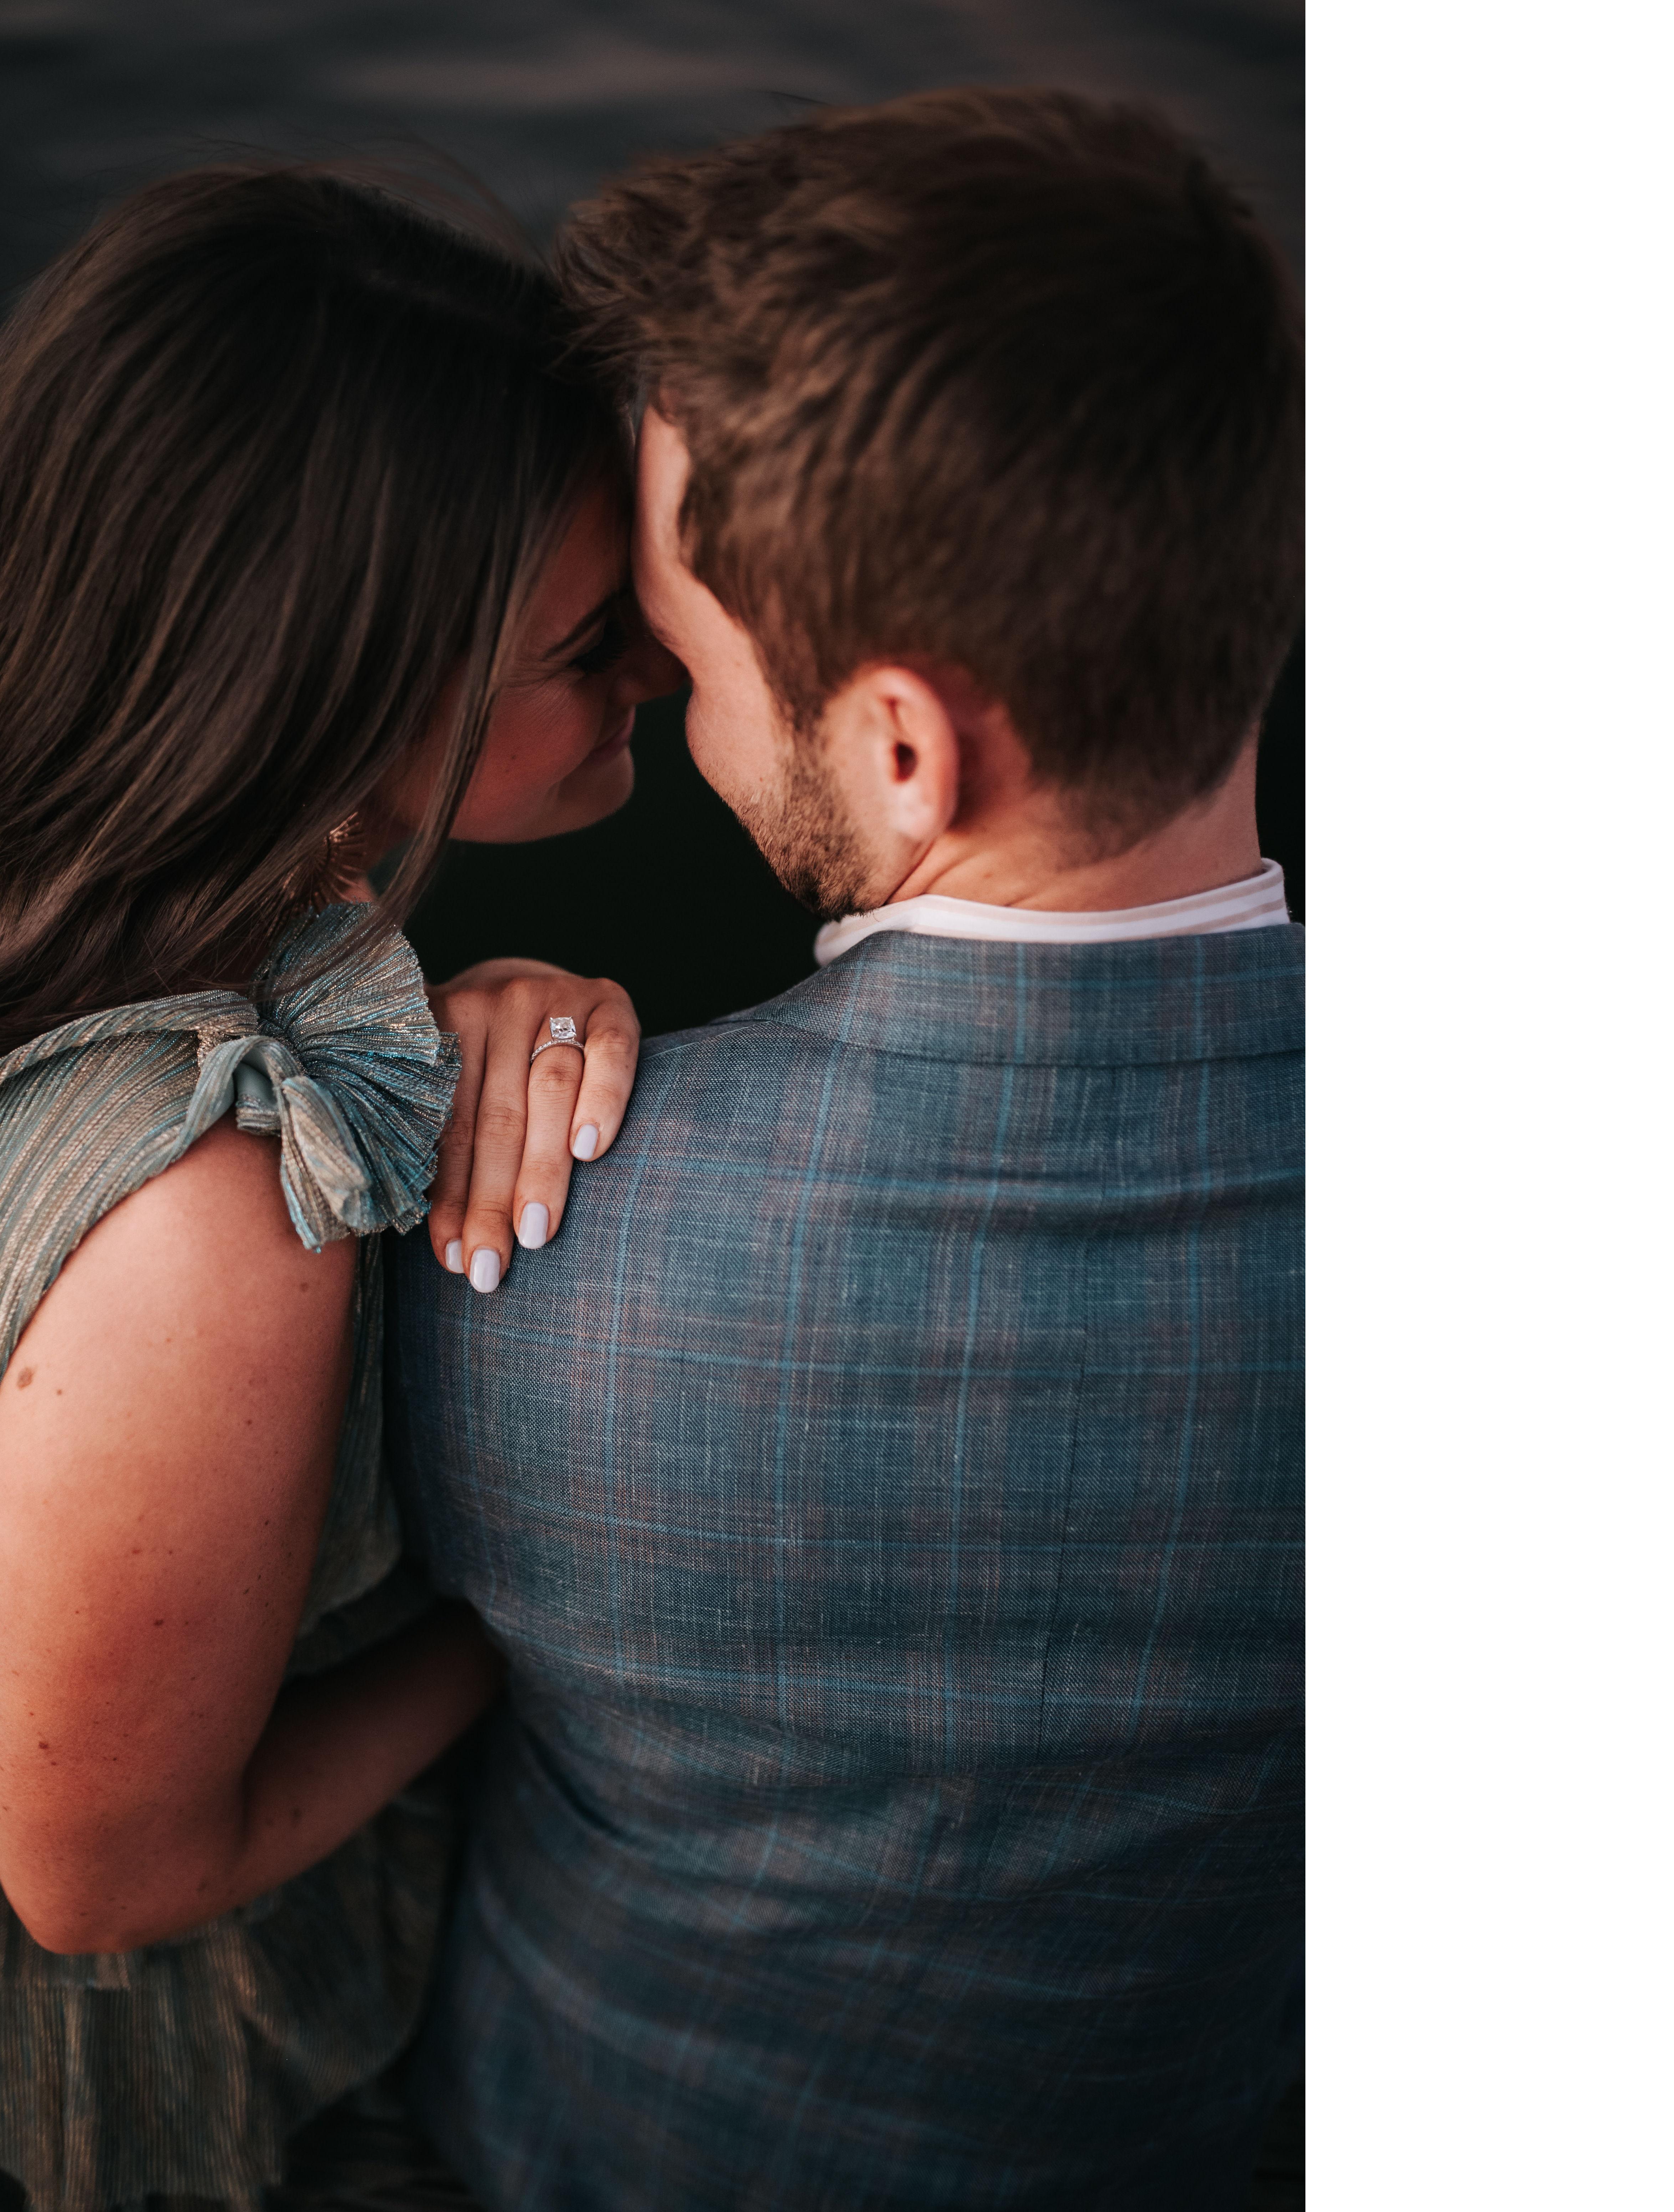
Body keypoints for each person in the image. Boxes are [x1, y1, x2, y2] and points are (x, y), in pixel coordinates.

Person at [388, 89, 1305, 2210]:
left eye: (689, 652)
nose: (660, 693)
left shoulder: (529, 1251)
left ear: (903, 747)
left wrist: (407, 1058)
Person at [0, 164, 679, 2212]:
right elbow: (109, 1876)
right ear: (337, 685)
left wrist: (444, 1021)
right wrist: (521, 1632)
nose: (655, 670)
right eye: (588, 643)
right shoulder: (200, 1216)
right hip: (165, 2129)